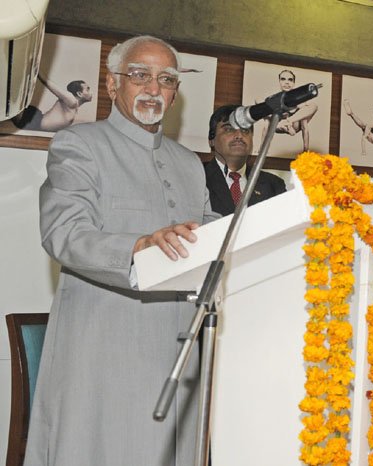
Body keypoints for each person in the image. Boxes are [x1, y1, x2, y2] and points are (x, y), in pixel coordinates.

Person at [29, 35, 221, 466]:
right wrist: (138, 247)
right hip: (105, 348)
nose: (154, 88)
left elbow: (205, 232)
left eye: (166, 79)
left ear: (175, 94)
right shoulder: (79, 145)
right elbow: (64, 231)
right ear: (113, 85)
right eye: (140, 75)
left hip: (180, 349)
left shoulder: (190, 162)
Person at [205, 104, 286, 216]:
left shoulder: (274, 185)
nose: (239, 135)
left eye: (245, 130)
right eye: (229, 129)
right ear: (211, 140)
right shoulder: (197, 179)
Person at [11, 73, 93, 132]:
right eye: (88, 89)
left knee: (8, 106)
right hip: (33, 120)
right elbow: (48, 83)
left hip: (35, 118)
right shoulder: (72, 100)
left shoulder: (74, 106)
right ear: (79, 93)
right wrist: (37, 71)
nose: (91, 92)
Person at [273, 69, 318, 152]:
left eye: (290, 80)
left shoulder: (300, 99)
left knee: (313, 105)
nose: (287, 82)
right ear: (279, 81)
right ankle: (286, 125)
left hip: (294, 124)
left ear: (293, 83)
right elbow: (267, 126)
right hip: (278, 126)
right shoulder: (275, 99)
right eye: (283, 79)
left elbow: (305, 127)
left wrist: (305, 150)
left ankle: (288, 122)